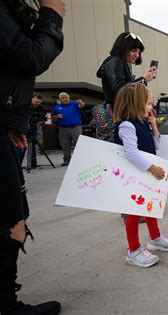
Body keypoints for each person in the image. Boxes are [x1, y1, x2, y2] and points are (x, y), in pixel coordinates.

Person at [0, 0, 64, 313]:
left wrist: (13, 122)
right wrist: (53, 13)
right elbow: (30, 55)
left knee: (15, 215)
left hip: (7, 126)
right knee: (12, 219)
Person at [113, 83, 168, 267]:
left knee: (150, 208)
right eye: (148, 104)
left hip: (145, 174)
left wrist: (154, 127)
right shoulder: (126, 125)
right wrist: (153, 169)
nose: (151, 107)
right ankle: (133, 250)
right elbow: (131, 153)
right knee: (134, 213)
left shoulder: (142, 122)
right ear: (135, 103)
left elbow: (155, 146)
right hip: (136, 175)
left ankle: (155, 238)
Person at [95, 32, 156, 141]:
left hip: (117, 112)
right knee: (117, 149)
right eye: (134, 50)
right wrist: (143, 79)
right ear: (123, 48)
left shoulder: (119, 63)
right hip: (115, 113)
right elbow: (120, 90)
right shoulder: (115, 62)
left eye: (139, 51)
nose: (137, 55)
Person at [51, 92, 85, 166]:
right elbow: (52, 117)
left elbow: (82, 106)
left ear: (69, 98)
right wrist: (56, 116)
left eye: (66, 97)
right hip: (63, 129)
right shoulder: (57, 107)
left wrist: (81, 102)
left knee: (78, 144)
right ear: (60, 99)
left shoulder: (74, 104)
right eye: (63, 98)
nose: (65, 99)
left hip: (76, 128)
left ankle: (80, 160)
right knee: (65, 145)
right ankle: (66, 160)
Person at [20, 92, 47, 168]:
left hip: (33, 127)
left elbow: (44, 117)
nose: (38, 103)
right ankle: (18, 164)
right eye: (36, 101)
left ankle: (33, 163)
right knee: (21, 145)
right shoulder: (24, 105)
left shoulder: (39, 107)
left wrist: (41, 121)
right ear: (31, 98)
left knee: (32, 144)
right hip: (22, 128)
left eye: (39, 102)